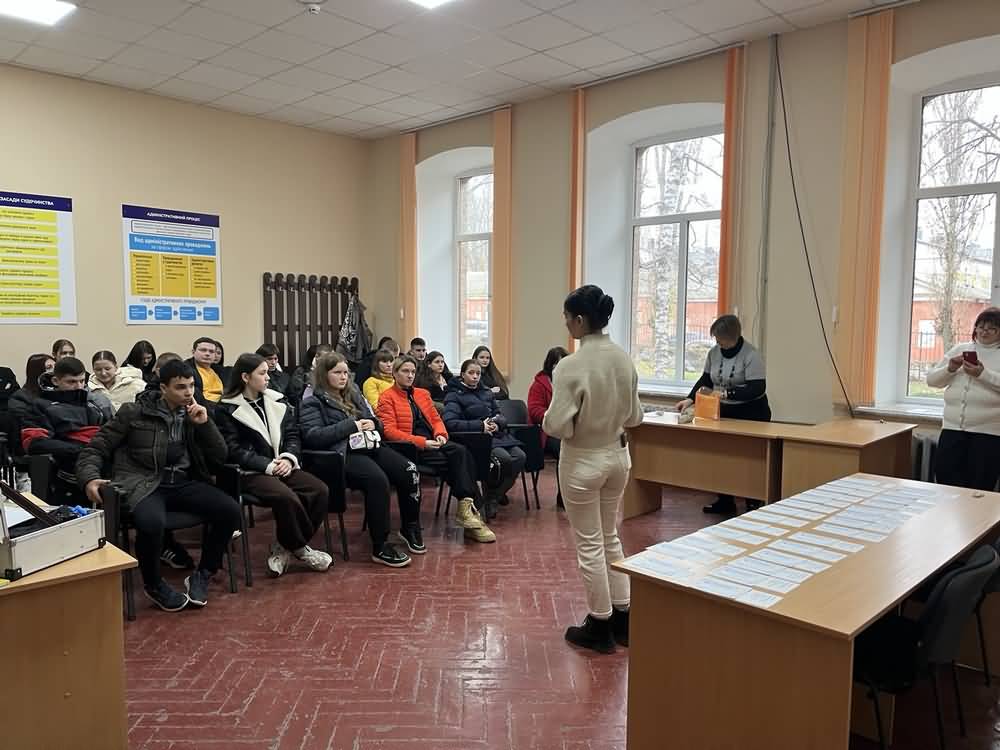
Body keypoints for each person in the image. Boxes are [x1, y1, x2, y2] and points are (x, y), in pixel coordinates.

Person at [76, 359, 242, 612]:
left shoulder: (196, 411)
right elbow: (96, 448)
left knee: (230, 510)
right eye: (180, 387)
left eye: (191, 386)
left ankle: (203, 573)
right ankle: (153, 585)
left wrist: (204, 425)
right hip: (145, 483)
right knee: (152, 523)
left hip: (183, 483)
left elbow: (221, 456)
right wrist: (89, 478)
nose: (188, 392)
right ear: (163, 388)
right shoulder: (134, 412)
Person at [543, 285, 643, 654]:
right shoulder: (623, 358)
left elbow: (555, 425)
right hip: (618, 457)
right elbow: (635, 417)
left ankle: (599, 624)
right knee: (610, 536)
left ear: (580, 320)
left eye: (567, 317)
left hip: (583, 460)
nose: (566, 323)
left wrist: (574, 426)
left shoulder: (570, 366)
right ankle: (623, 619)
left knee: (588, 543)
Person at [214, 353, 332, 577]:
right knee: (285, 497)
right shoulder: (225, 409)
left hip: (281, 464)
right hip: (250, 472)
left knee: (319, 490)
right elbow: (233, 450)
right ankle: (300, 548)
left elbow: (293, 435)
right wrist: (268, 465)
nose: (268, 377)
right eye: (262, 373)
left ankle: (286, 545)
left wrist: (288, 458)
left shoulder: (277, 400)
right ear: (245, 377)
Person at [300, 352, 418, 566]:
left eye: (346, 373)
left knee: (408, 469)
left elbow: (374, 419)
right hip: (341, 454)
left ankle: (410, 527)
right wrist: (351, 426)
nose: (343, 377)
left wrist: (375, 424)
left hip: (368, 445)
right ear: (324, 374)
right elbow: (313, 436)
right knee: (378, 481)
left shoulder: (353, 393)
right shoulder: (313, 401)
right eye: (337, 373)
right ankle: (380, 545)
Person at [376, 355, 496, 543]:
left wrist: (441, 434)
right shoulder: (387, 397)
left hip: (433, 442)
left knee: (462, 452)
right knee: (457, 464)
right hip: (409, 447)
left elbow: (436, 419)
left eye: (413, 372)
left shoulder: (422, 394)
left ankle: (467, 510)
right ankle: (471, 514)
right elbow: (390, 432)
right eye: (405, 371)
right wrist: (422, 442)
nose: (410, 375)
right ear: (395, 373)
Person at [675, 314, 770, 515]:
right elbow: (705, 380)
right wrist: (689, 399)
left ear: (732, 337)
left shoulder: (751, 355)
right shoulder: (714, 353)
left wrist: (726, 393)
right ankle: (725, 500)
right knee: (722, 455)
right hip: (724, 411)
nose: (718, 343)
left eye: (720, 339)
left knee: (748, 460)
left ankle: (753, 501)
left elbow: (757, 387)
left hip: (751, 413)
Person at [20, 356, 114, 505]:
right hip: (66, 472)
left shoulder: (96, 403)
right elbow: (34, 443)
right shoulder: (41, 406)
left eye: (82, 381)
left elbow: (112, 432)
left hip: (103, 465)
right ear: (55, 381)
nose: (78, 386)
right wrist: (82, 448)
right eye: (71, 382)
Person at [927, 307, 1000, 490]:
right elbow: (932, 380)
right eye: (981, 327)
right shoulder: (960, 349)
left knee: (979, 485)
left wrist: (982, 374)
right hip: (952, 429)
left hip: (988, 433)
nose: (984, 332)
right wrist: (950, 368)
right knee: (944, 477)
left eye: (992, 328)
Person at [443, 359, 526, 520]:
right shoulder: (454, 395)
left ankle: (493, 496)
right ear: (462, 374)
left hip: (497, 435)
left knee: (520, 457)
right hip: (476, 438)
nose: (475, 376)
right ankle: (491, 497)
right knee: (504, 459)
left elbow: (500, 415)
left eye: (478, 373)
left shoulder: (486, 392)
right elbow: (450, 423)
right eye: (471, 373)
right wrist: (480, 426)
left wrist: (497, 424)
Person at [528, 346, 569, 509]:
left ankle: (575, 492)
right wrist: (553, 417)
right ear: (550, 365)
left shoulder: (571, 383)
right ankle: (563, 496)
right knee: (563, 448)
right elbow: (534, 410)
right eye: (557, 364)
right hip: (545, 431)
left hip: (566, 428)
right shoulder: (539, 384)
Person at [7, 353, 55, 491]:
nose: (53, 372)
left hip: (57, 451)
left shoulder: (59, 393)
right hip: (31, 454)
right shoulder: (20, 398)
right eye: (48, 367)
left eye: (55, 367)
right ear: (37, 372)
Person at [186, 337, 225, 404]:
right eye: (203, 350)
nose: (207, 354)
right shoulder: (186, 369)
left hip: (223, 404)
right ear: (193, 352)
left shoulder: (219, 370)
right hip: (203, 405)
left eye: (211, 351)